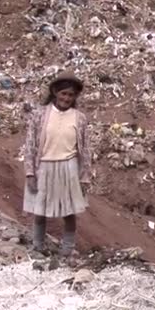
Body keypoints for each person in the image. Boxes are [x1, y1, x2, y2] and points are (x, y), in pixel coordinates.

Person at [23, 72, 91, 259]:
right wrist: (30, 172)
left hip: (68, 168)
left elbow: (84, 149)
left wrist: (85, 176)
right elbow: (30, 144)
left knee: (69, 212)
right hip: (44, 167)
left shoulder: (79, 118)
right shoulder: (40, 115)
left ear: (75, 97)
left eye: (70, 95)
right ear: (55, 92)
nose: (66, 98)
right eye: (63, 94)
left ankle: (67, 250)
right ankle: (37, 247)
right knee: (40, 210)